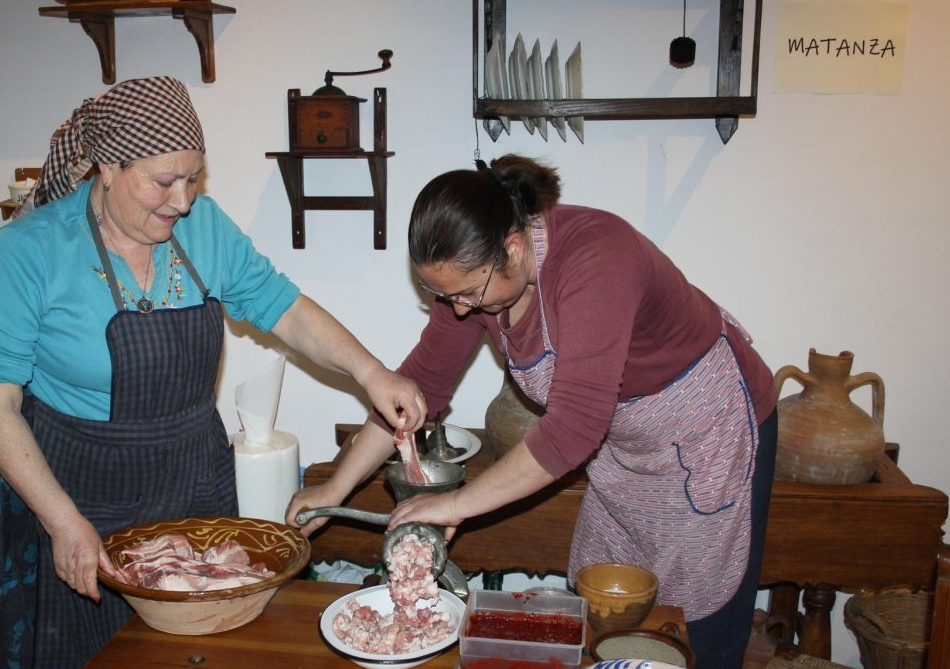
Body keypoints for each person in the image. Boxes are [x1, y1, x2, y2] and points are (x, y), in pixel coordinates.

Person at [0, 76, 425, 669]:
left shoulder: (203, 228)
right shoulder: (30, 250)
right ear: (107, 166)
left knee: (199, 652)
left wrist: (372, 373)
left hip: (193, 482)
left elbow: (284, 309)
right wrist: (62, 521)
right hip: (78, 488)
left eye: (192, 178)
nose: (182, 201)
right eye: (162, 182)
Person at [287, 154, 778, 669]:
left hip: (706, 428)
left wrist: (456, 506)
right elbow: (416, 389)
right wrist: (333, 490)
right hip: (626, 440)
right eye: (441, 294)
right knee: (605, 605)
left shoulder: (597, 259)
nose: (457, 310)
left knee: (694, 618)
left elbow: (573, 426)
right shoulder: (472, 280)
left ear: (514, 249)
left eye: (466, 294)